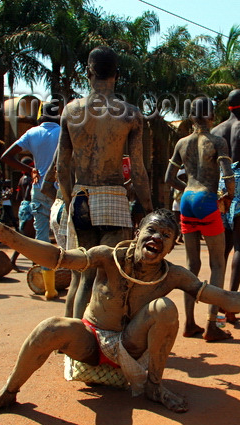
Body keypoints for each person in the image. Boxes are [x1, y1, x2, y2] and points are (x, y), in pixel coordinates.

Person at [0, 210, 240, 420]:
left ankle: (154, 385)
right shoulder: (107, 255)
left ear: (172, 247)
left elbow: (226, 298)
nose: (157, 239)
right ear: (139, 230)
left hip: (132, 348)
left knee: (165, 307)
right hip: (91, 345)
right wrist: (10, 236)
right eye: (152, 230)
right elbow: (59, 259)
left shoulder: (173, 274)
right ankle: (8, 393)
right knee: (50, 326)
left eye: (167, 237)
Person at [48, 46, 154, 318]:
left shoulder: (71, 111)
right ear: (117, 75)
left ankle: (69, 337)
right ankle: (95, 338)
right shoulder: (130, 114)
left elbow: (62, 166)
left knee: (81, 275)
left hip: (81, 196)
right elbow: (138, 170)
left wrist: (71, 200)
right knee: (108, 275)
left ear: (88, 72)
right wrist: (148, 208)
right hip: (114, 200)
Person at [165, 96, 234, 342]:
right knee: (217, 264)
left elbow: (169, 178)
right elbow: (228, 176)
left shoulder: (182, 142)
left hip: (187, 200)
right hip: (206, 200)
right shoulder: (218, 141)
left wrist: (187, 189)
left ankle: (190, 323)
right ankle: (211, 325)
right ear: (212, 115)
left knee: (191, 265)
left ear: (192, 116)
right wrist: (228, 196)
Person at [1, 100, 62, 300]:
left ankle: (49, 288)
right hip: (61, 190)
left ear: (41, 116)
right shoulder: (64, 132)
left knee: (42, 235)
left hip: (39, 190)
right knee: (66, 234)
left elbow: (7, 156)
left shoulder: (32, 133)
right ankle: (72, 277)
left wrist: (30, 170)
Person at [211, 89, 240, 321]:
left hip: (220, 183)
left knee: (224, 245)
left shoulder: (215, 130)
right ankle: (230, 304)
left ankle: (217, 300)